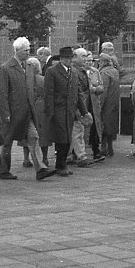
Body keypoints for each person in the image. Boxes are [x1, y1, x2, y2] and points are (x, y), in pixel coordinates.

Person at [0, 37, 54, 181]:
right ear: (17, 51)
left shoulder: (29, 66)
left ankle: (40, 169)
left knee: (33, 137)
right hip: (12, 113)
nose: (29, 53)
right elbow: (2, 93)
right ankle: (4, 171)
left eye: (29, 50)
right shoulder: (6, 68)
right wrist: (5, 113)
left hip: (28, 112)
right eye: (26, 50)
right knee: (7, 142)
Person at [43, 46, 88, 177]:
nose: (69, 60)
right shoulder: (52, 71)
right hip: (58, 110)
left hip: (70, 111)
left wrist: (84, 111)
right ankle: (60, 165)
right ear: (61, 59)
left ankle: (63, 164)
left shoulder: (73, 72)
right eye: (66, 58)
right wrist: (50, 112)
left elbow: (78, 93)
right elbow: (48, 93)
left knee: (68, 138)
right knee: (61, 139)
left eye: (70, 58)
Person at [71, 47, 103, 165]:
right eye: (83, 57)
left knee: (78, 131)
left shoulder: (83, 71)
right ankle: (80, 156)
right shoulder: (75, 71)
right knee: (77, 131)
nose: (85, 59)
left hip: (86, 104)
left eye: (86, 57)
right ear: (75, 57)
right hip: (78, 106)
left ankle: (76, 155)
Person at [97, 53, 122, 157]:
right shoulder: (114, 71)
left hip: (107, 104)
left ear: (102, 62)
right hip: (114, 102)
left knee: (104, 125)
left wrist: (99, 105)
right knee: (111, 125)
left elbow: (104, 90)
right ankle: (110, 148)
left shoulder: (104, 73)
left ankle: (104, 148)